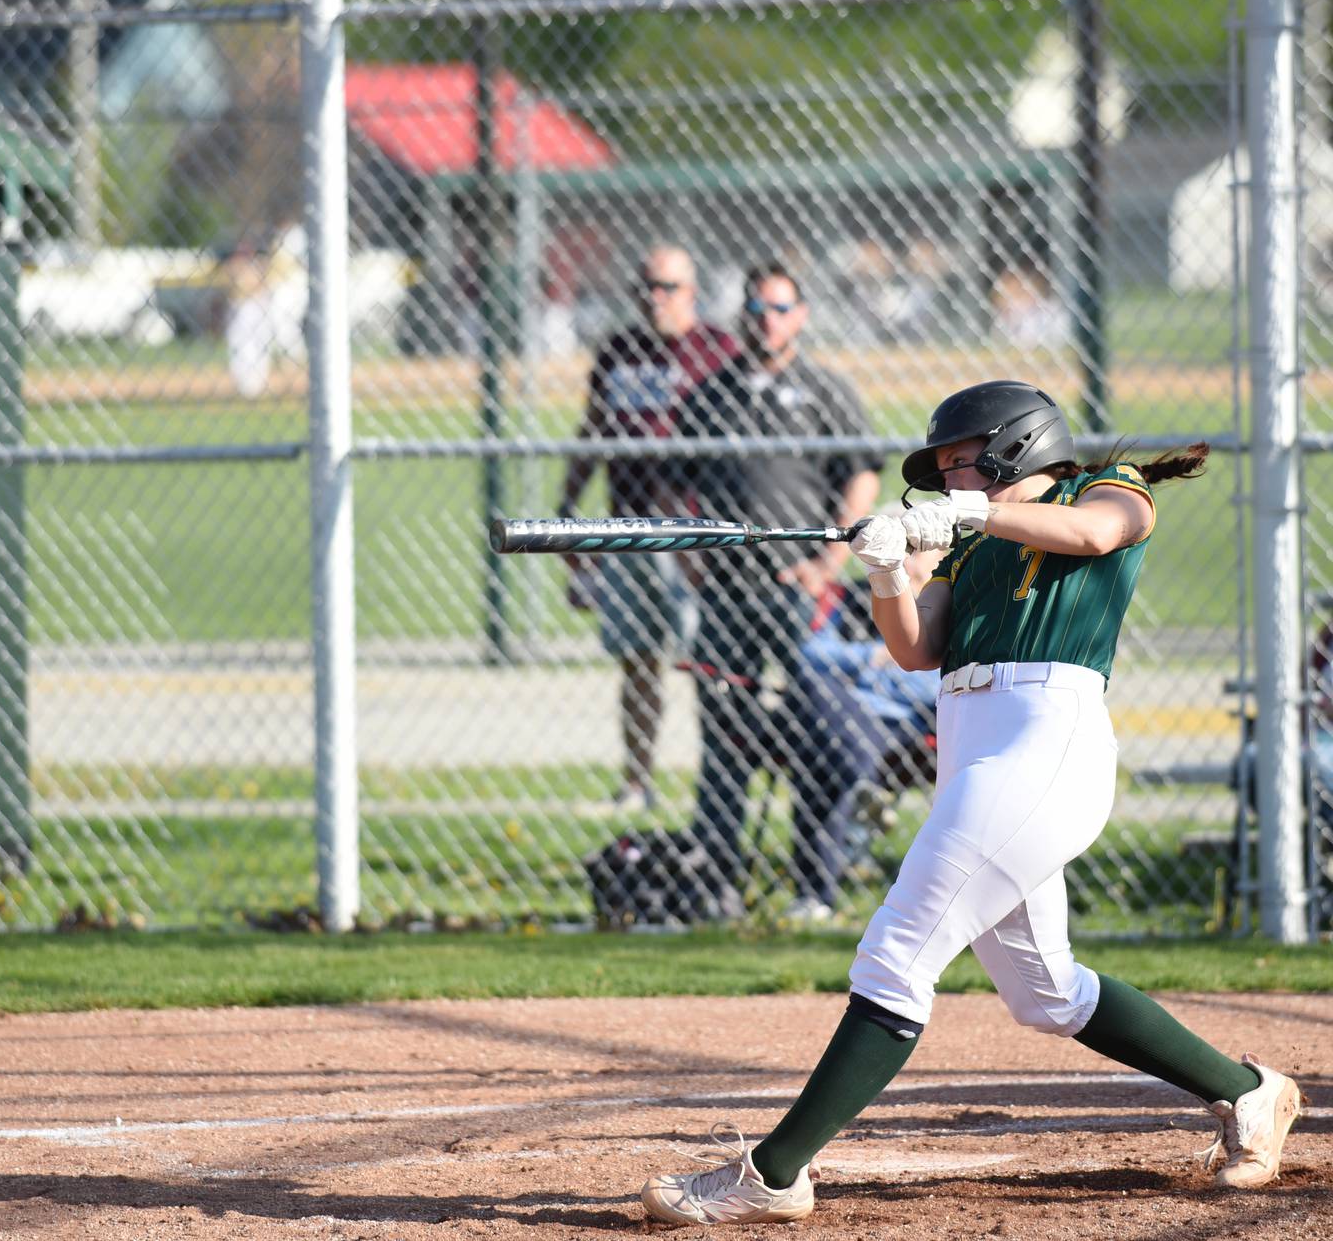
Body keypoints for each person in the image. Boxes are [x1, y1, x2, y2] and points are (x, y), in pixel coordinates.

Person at [641, 380, 1304, 1224]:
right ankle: (1251, 1092)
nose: (949, 480)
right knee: (1046, 992)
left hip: (1043, 739)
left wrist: (972, 517)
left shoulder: (1104, 490)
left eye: (960, 462)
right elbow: (917, 648)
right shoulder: (968, 548)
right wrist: (887, 570)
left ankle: (773, 1173)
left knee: (897, 953)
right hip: (973, 747)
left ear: (1014, 448)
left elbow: (1099, 533)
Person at [673, 262, 882, 920]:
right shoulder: (709, 395)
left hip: (798, 591)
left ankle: (813, 888)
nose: (769, 320)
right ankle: (717, 889)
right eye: (758, 309)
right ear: (742, 316)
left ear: (802, 314)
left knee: (812, 735)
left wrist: (828, 562)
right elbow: (677, 482)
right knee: (725, 735)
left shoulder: (826, 390)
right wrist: (690, 559)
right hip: (725, 591)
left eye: (781, 307)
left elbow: (862, 476)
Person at [558, 245, 739, 810]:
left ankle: (720, 782)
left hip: (695, 531)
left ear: (692, 292)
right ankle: (637, 781)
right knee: (637, 660)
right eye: (645, 287)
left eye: (667, 288)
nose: (653, 299)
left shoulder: (716, 350)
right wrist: (568, 503)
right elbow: (593, 429)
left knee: (710, 663)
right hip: (627, 526)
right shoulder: (619, 350)